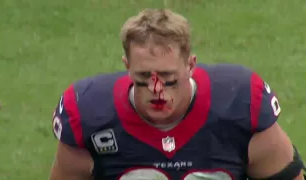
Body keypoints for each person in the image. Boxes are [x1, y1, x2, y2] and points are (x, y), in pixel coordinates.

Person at [49, 8, 305, 180]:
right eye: (143, 78)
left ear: (191, 65)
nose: (156, 89)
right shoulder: (88, 113)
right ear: (127, 66)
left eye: (169, 79)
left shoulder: (241, 102)